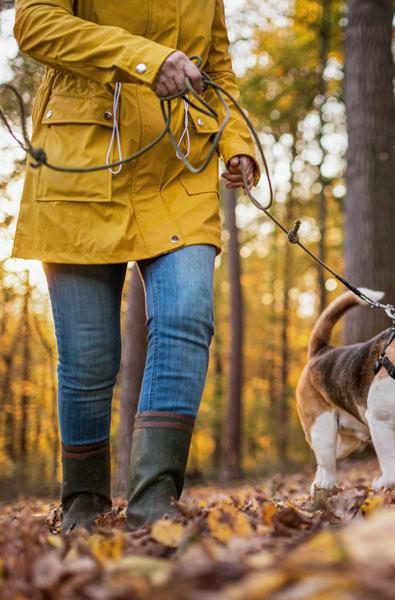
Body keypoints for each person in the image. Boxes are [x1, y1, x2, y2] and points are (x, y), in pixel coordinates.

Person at [12, 0, 258, 531]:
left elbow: (218, 68)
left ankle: (154, 502)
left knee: (186, 317)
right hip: (82, 160)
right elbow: (34, 24)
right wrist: (147, 59)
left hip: (179, 168)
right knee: (89, 360)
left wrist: (235, 143)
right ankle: (83, 501)